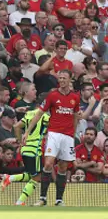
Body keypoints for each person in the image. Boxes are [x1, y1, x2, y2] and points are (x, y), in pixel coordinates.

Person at [23, 70, 80, 207]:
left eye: (64, 78)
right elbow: (39, 114)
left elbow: (75, 116)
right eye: (59, 78)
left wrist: (73, 134)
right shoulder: (52, 95)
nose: (61, 80)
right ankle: (42, 198)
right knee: (48, 163)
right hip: (54, 133)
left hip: (67, 136)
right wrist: (27, 131)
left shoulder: (75, 98)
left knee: (63, 167)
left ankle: (59, 199)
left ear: (70, 79)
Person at [1, 106, 49, 205]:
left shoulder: (29, 114)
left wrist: (20, 141)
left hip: (25, 148)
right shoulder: (44, 116)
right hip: (35, 149)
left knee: (31, 175)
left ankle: (9, 179)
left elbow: (16, 126)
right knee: (37, 177)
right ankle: (19, 201)